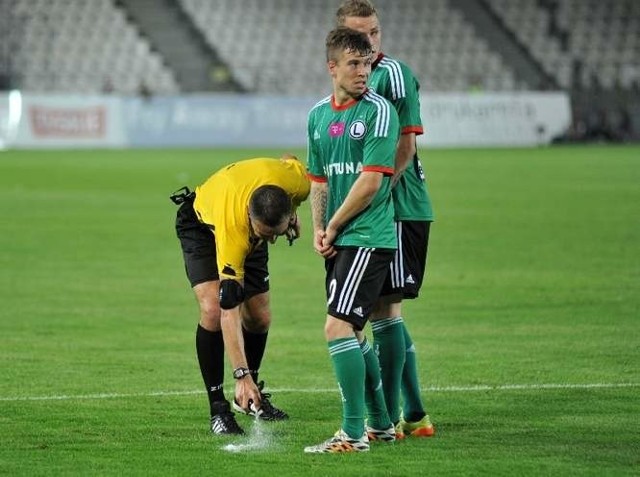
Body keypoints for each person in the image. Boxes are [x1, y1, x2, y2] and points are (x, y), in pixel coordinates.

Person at [336, 0, 436, 439]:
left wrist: (379, 197)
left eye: (375, 33)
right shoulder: (353, 80)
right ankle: (413, 414)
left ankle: (394, 417)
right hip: (381, 209)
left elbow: (404, 148)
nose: (371, 43)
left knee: (384, 309)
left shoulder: (391, 74)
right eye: (360, 36)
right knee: (380, 309)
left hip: (399, 206)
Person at [303, 27, 399, 454]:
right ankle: (380, 424)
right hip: (341, 239)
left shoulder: (379, 112)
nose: (363, 72)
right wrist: (319, 229)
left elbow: (371, 185)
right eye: (354, 64)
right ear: (332, 67)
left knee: (337, 327)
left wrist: (336, 226)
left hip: (368, 236)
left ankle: (352, 433)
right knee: (354, 333)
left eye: (367, 63)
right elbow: (319, 181)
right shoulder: (318, 116)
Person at [172, 156, 310, 435]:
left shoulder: (297, 184)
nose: (272, 240)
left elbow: (290, 161)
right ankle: (219, 408)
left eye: (276, 234)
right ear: (250, 216)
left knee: (260, 316)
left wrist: (293, 214)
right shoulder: (234, 231)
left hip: (255, 220)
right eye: (266, 234)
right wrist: (240, 374)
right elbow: (228, 310)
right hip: (201, 224)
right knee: (212, 309)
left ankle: (250, 396)